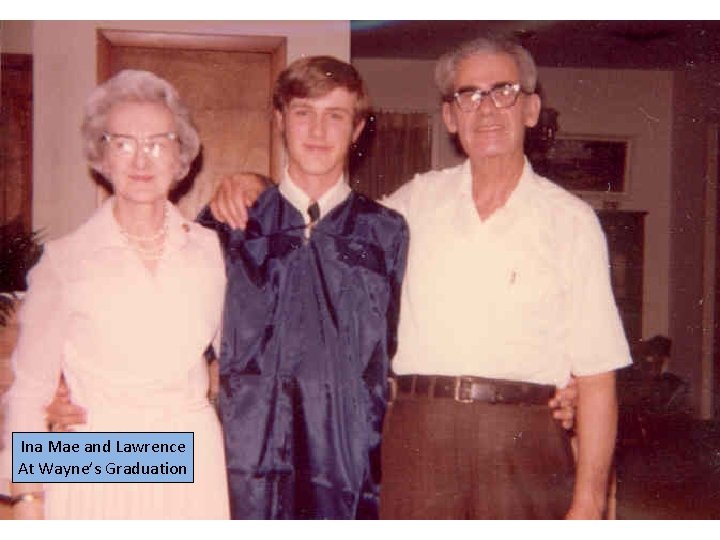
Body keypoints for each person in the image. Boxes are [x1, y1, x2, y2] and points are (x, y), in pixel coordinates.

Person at [211, 36, 630, 520]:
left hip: (524, 437)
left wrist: (589, 502)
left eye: (503, 92)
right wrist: (254, 187)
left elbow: (598, 377)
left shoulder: (571, 220)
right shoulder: (409, 207)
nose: (486, 109)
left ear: (531, 109)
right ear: (451, 117)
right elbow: (323, 224)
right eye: (469, 95)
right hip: (416, 438)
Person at [0, 70, 229, 519]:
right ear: (101, 157)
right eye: (122, 143)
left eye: (157, 142)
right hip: (98, 463)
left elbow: (241, 363)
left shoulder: (210, 250)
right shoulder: (65, 261)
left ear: (179, 156)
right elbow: (29, 392)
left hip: (192, 461)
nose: (140, 160)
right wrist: (27, 500)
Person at [197, 56, 408, 519]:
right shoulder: (228, 224)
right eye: (303, 113)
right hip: (245, 448)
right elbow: (179, 335)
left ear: (356, 130)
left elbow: (401, 347)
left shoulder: (386, 232)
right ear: (279, 121)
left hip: (347, 456)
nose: (318, 130)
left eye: (335, 116)